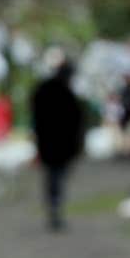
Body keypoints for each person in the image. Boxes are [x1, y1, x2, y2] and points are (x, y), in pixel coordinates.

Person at [31, 61, 84, 231]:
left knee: (54, 177)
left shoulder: (46, 90)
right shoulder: (64, 93)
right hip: (58, 144)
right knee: (56, 177)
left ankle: (54, 207)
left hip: (51, 143)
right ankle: (55, 208)